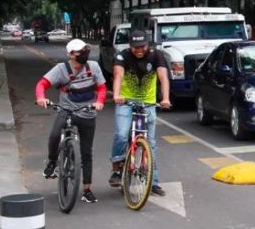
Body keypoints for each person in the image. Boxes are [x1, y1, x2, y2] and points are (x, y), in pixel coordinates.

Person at [35, 39, 106, 204]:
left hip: (87, 112)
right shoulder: (61, 69)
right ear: (71, 55)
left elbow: (102, 87)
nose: (84, 54)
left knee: (87, 152)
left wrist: (100, 101)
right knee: (54, 135)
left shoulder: (93, 67)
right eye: (80, 52)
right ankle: (52, 162)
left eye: (85, 51)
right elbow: (42, 84)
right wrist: (41, 98)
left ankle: (87, 189)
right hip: (65, 110)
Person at [109, 29, 171, 196]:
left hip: (148, 104)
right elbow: (118, 76)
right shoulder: (123, 56)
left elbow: (163, 78)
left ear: (147, 44)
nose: (139, 50)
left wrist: (165, 98)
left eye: (142, 46)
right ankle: (117, 168)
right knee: (122, 134)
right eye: (135, 47)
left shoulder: (156, 55)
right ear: (130, 46)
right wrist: (116, 95)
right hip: (126, 102)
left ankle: (154, 182)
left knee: (150, 144)